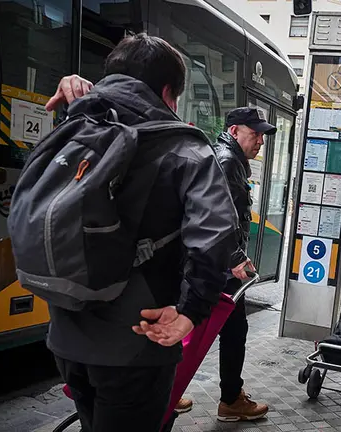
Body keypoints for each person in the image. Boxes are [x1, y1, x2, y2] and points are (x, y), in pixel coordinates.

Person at [43, 33, 239, 432]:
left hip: (66, 334)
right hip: (138, 338)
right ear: (167, 92)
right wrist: (190, 312)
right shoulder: (184, 147)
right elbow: (217, 234)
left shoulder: (76, 125)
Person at [210, 107, 275, 422]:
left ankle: (230, 396)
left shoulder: (231, 160)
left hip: (219, 262)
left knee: (224, 329)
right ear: (234, 131)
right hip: (221, 265)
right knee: (230, 331)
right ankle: (230, 400)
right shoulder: (227, 162)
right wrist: (236, 258)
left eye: (262, 135)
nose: (260, 141)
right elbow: (217, 215)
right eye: (255, 133)